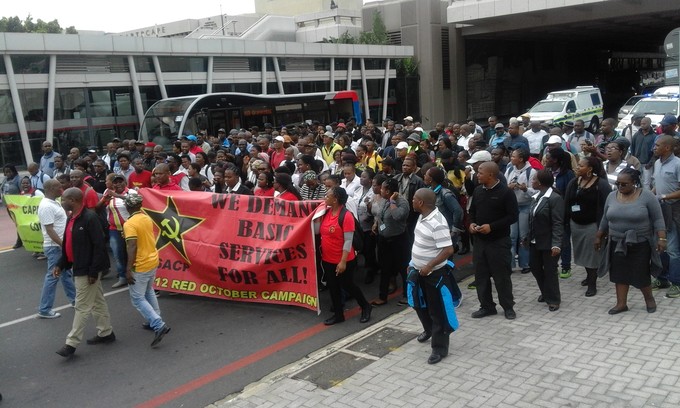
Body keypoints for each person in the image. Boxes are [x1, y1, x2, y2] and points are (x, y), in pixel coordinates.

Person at [54, 188, 114, 358]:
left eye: (63, 199)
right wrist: (61, 263)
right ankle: (106, 332)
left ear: (72, 200)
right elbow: (68, 244)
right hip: (78, 266)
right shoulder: (71, 217)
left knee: (81, 306)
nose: (61, 201)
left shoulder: (90, 218)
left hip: (87, 270)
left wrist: (93, 272)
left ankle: (71, 343)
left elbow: (99, 246)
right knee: (97, 301)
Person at [596, 168, 666, 314]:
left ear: (634, 183)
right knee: (619, 273)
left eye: (624, 184)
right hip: (616, 242)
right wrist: (599, 236)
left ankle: (649, 299)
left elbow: (658, 219)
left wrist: (661, 238)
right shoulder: (611, 196)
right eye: (618, 183)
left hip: (640, 242)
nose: (620, 186)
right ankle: (621, 304)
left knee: (640, 273)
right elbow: (605, 218)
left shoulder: (646, 196)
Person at [409, 188, 457, 365]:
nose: (411, 201)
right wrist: (413, 263)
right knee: (417, 303)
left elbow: (448, 250)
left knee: (437, 312)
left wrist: (429, 265)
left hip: (434, 274)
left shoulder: (438, 222)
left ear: (421, 203)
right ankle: (429, 330)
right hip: (418, 270)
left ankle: (439, 348)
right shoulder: (422, 216)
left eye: (414, 199)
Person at [315, 186, 372, 325]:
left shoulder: (346, 216)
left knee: (348, 285)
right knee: (333, 287)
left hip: (344, 259)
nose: (325, 197)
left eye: (327, 196)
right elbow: (317, 231)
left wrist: (343, 262)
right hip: (328, 259)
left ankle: (365, 306)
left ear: (335, 199)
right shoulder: (326, 212)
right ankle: (339, 315)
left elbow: (348, 240)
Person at [468, 162, 518, 320]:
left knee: (501, 276)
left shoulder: (506, 193)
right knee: (481, 276)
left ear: (491, 175)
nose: (477, 175)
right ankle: (487, 306)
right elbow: (472, 211)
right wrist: (472, 223)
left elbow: (512, 216)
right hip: (480, 242)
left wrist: (492, 227)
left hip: (499, 242)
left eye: (480, 172)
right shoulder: (477, 191)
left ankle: (508, 307)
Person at [123, 193, 171, 346]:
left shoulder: (129, 223)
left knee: (137, 298)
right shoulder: (146, 218)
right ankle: (155, 319)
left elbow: (132, 246)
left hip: (140, 264)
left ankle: (157, 324)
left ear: (128, 207)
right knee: (149, 291)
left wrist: (128, 269)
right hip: (152, 260)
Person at [563, 157, 611, 296]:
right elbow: (567, 202)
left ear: (590, 169)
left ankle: (592, 284)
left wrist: (602, 231)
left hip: (592, 226)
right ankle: (589, 276)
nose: (577, 167)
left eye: (581, 166)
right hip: (576, 225)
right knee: (582, 253)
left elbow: (607, 207)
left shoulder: (601, 184)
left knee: (592, 255)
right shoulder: (574, 182)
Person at [36, 179, 76, 319]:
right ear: (52, 188)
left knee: (66, 275)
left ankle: (75, 300)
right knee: (53, 276)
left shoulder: (54, 202)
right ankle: (44, 309)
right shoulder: (46, 206)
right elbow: (50, 230)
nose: (62, 188)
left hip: (58, 246)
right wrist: (63, 245)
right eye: (59, 186)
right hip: (55, 247)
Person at [528, 170, 564, 312]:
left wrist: (556, 244)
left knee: (550, 271)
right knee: (535, 267)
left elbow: (557, 223)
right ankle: (545, 291)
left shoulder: (554, 199)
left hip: (549, 242)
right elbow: (532, 219)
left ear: (540, 182)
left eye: (534, 179)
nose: (532, 181)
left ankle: (554, 299)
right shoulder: (536, 197)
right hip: (534, 241)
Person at [371, 177, 410, 306]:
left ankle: (407, 295)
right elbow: (379, 213)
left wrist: (393, 202)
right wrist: (376, 224)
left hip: (398, 241)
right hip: (383, 240)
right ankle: (382, 296)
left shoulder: (402, 202)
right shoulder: (383, 200)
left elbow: (397, 216)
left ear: (388, 191)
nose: (380, 190)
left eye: (382, 188)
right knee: (384, 268)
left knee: (403, 269)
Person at [652, 135, 680, 296]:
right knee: (660, 245)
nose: (654, 147)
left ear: (668, 148)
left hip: (674, 210)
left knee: (673, 249)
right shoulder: (657, 163)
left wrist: (663, 197)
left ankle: (676, 283)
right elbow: (658, 185)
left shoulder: (678, 164)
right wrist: (650, 195)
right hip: (660, 210)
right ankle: (662, 278)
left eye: (657, 145)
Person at [100, 174, 138, 288]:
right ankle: (122, 277)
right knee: (118, 253)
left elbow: (135, 202)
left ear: (125, 182)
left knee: (131, 252)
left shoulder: (131, 192)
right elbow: (99, 206)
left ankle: (134, 275)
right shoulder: (108, 192)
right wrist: (104, 200)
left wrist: (117, 196)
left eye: (120, 181)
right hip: (114, 229)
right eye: (115, 182)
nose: (118, 184)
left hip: (130, 228)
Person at [504, 147, 537, 274]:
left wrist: (525, 189)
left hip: (525, 206)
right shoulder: (509, 170)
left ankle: (525, 263)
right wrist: (509, 187)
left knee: (524, 236)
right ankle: (510, 264)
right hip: (512, 207)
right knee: (511, 236)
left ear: (521, 159)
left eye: (513, 156)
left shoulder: (531, 172)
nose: (511, 158)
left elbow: (535, 192)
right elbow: (504, 187)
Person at [2, 164, 22, 248]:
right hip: (8, 206)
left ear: (13, 171)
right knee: (16, 223)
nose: (7, 174)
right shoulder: (5, 180)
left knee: (19, 223)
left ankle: (20, 240)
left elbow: (22, 192)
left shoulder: (19, 180)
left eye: (9, 171)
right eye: (6, 172)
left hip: (17, 206)